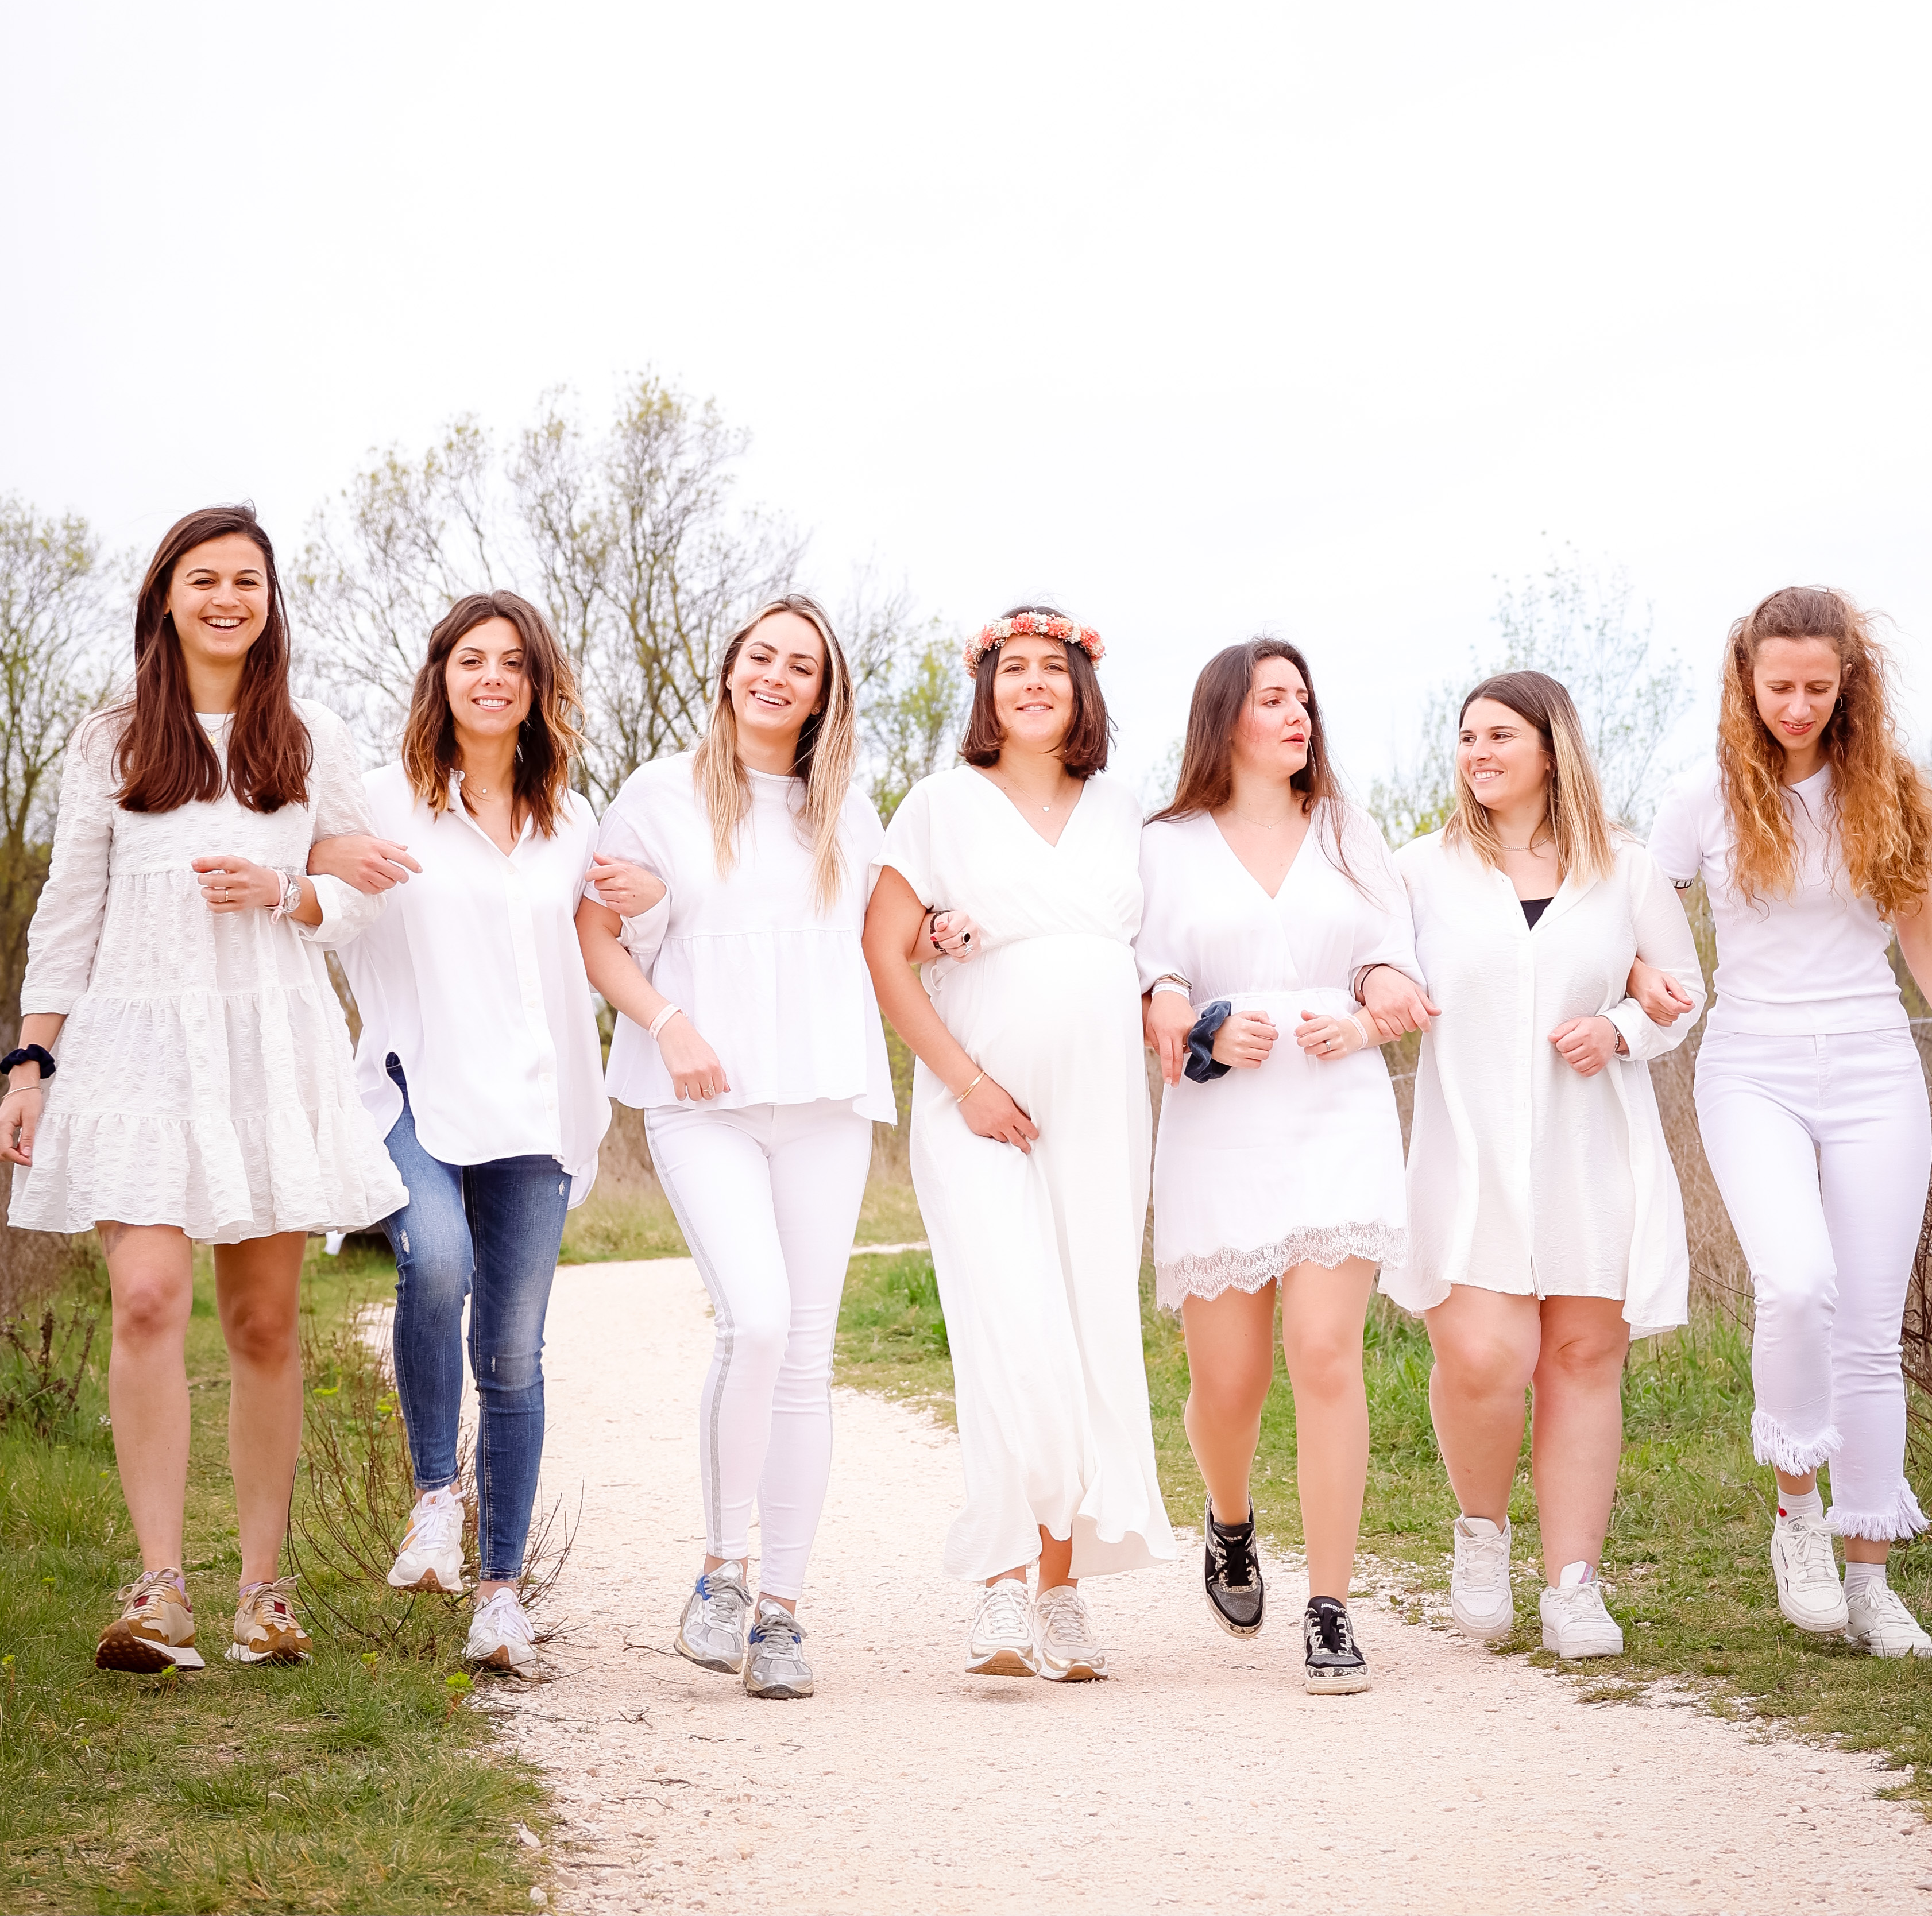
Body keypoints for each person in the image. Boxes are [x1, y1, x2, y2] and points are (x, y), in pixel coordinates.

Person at [0, 504, 403, 1673]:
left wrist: (285, 890)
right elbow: (69, 909)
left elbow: (361, 890)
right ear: (165, 597)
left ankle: (263, 1594)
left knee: (263, 1324)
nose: (227, 598)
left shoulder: (310, 736)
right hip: (136, 1051)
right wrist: (30, 1064)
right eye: (205, 579)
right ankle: (159, 1588)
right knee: (147, 1298)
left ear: (271, 602)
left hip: (269, 1049)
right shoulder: (110, 739)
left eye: (248, 581)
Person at [1650, 583, 1932, 1660]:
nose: (1797, 706)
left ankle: (1870, 1580)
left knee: (1870, 1333)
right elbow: (1637, 909)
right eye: (1778, 686)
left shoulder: (1888, 788)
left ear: (1848, 685)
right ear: (1746, 683)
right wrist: (1643, 982)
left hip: (1874, 1068)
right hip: (1752, 1068)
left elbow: (1925, 931)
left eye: (1818, 687)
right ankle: (1798, 1517)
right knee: (1796, 1284)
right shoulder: (1703, 801)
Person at [306, 588, 638, 1683]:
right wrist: (302, 876)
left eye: (513, 663)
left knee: (513, 1352)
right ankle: (435, 1501)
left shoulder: (573, 820)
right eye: (471, 660)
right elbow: (320, 893)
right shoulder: (383, 803)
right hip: (416, 1086)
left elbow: (611, 934)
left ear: (538, 687)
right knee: (436, 1260)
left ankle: (500, 1598)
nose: (492, 678)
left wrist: (656, 890)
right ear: (440, 677)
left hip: (538, 1109)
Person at [579, 594, 897, 1702]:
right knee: (754, 1321)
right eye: (762, 655)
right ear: (729, 670)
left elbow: (882, 939)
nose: (777, 676)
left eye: (802, 666)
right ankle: (721, 1572)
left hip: (825, 1104)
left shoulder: (847, 811)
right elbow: (597, 936)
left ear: (823, 695)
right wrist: (669, 1024)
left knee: (806, 1355)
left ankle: (784, 1613)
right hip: (703, 1103)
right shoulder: (659, 794)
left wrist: (943, 933)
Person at [863, 606, 1173, 1683]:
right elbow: (886, 953)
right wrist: (969, 1084)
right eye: (1014, 669)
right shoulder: (940, 805)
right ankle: (1001, 1583)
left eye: (1053, 668)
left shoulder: (1126, 812)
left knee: (1085, 1331)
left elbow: (1159, 953)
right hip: (977, 1106)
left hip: (1101, 1113)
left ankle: (1061, 1591)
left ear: (1083, 690)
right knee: (1010, 1330)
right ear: (986, 691)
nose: (1033, 683)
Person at [1384, 672, 1703, 1657]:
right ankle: (1482, 1536)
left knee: (1582, 1360)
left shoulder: (1626, 871)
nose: (1478, 754)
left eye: (1501, 737)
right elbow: (1373, 967)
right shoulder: (1419, 871)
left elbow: (1684, 995)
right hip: (1468, 1152)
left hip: (1590, 1152)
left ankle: (1574, 1585)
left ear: (1553, 750)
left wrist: (1619, 1027)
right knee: (1484, 1358)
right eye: (1468, 737)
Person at [1138, 636, 1431, 1696]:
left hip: (1335, 1107)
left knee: (1324, 1354)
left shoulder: (1350, 830)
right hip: (1221, 1120)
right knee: (1230, 1382)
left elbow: (1390, 955)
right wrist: (1197, 1018)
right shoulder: (1164, 843)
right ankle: (1229, 1520)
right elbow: (1151, 973)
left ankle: (1331, 1607)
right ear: (1225, 717)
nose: (1297, 715)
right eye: (1272, 700)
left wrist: (1380, 997)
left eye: (1303, 699)